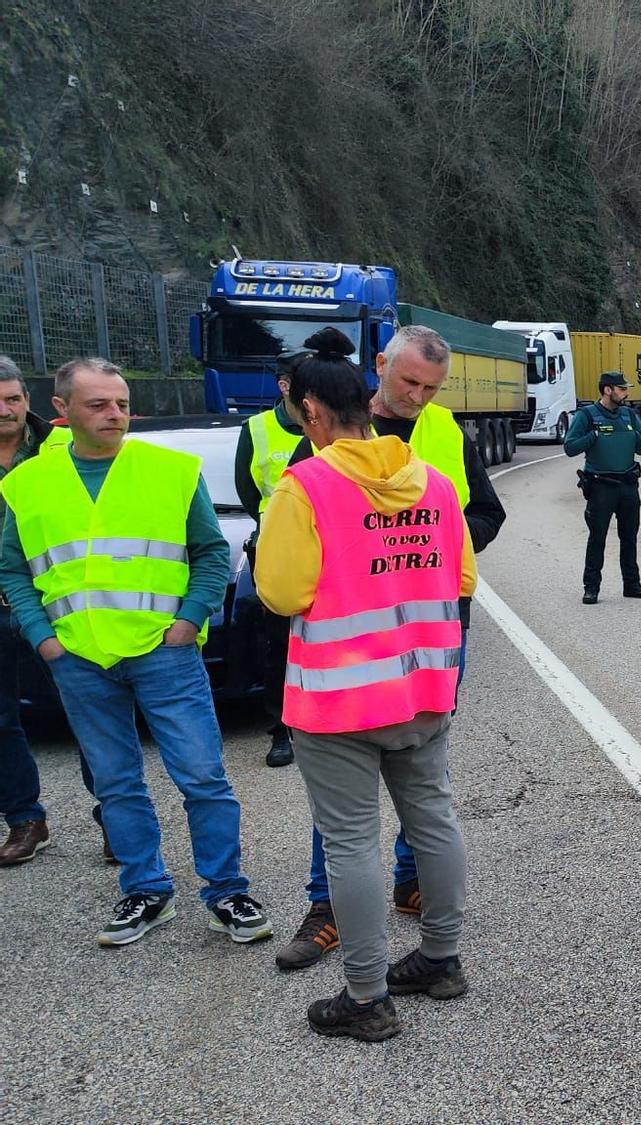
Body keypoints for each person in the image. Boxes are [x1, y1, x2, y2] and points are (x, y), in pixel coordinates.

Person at [0, 358, 271, 945]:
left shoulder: (171, 470)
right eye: (98, 405)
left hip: (163, 653)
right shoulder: (24, 484)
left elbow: (209, 553)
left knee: (202, 776)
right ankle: (145, 890)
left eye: (121, 403)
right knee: (117, 782)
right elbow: (13, 570)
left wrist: (188, 621)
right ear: (62, 411)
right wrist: (42, 637)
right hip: (78, 658)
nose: (114, 414)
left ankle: (226, 890)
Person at [255, 327, 475, 1041]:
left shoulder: (307, 485)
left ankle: (365, 995)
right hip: (423, 688)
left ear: (313, 412)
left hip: (341, 698)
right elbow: (463, 578)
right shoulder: (434, 484)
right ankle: (440, 959)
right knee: (434, 822)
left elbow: (282, 591)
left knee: (351, 843)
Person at [0, 354, 99, 868]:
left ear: (29, 400)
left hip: (53, 603)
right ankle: (24, 820)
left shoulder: (60, 445)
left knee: (88, 711)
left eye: (13, 398)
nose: (6, 410)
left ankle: (113, 816)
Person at [235, 358, 309, 768]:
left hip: (325, 548)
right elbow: (248, 491)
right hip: (276, 549)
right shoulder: (256, 429)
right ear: (284, 386)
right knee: (277, 643)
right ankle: (280, 730)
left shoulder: (328, 427)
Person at [565, 370, 641, 604]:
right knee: (598, 537)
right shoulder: (587, 415)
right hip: (601, 486)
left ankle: (632, 584)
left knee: (630, 537)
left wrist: (634, 435)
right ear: (608, 390)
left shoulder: (629, 415)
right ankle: (591, 587)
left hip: (627, 485)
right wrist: (592, 437)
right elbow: (570, 447)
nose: (626, 393)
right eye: (622, 389)